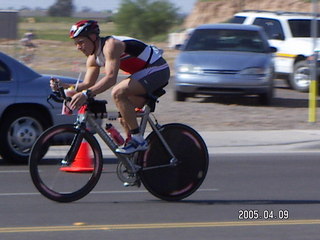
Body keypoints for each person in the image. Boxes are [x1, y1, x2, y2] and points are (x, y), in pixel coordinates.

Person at [50, 20, 170, 154]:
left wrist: (85, 94)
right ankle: (136, 158)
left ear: (93, 37)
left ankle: (138, 141)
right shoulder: (92, 58)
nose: (78, 47)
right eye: (76, 43)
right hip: (142, 74)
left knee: (118, 92)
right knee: (124, 116)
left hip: (157, 69)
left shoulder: (110, 45)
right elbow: (87, 84)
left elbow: (111, 78)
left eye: (81, 42)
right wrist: (64, 86)